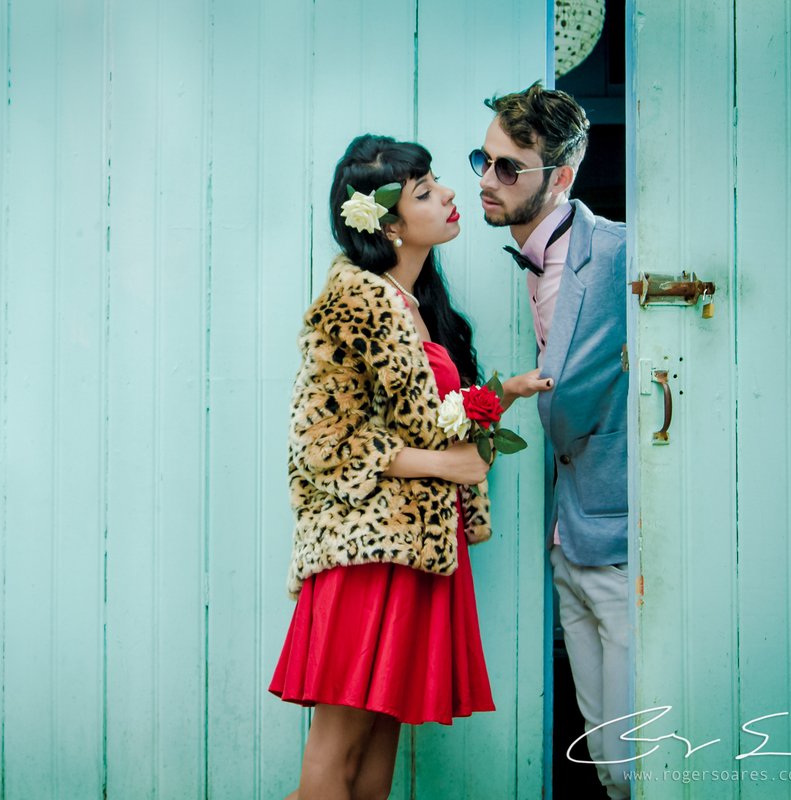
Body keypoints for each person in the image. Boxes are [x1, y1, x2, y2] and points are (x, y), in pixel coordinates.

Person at [268, 134, 497, 800]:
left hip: (418, 551)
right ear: (387, 223)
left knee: (372, 764)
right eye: (426, 191)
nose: (450, 193)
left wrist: (498, 400)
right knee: (333, 761)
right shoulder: (354, 304)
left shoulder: (417, 308)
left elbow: (426, 420)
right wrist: (446, 466)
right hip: (365, 554)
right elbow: (320, 440)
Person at [478, 83, 630, 799]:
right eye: (484, 159)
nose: (486, 179)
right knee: (604, 759)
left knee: (636, 763)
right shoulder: (540, 261)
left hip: (624, 543)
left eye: (509, 167)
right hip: (568, 538)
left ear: (560, 178)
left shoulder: (620, 256)